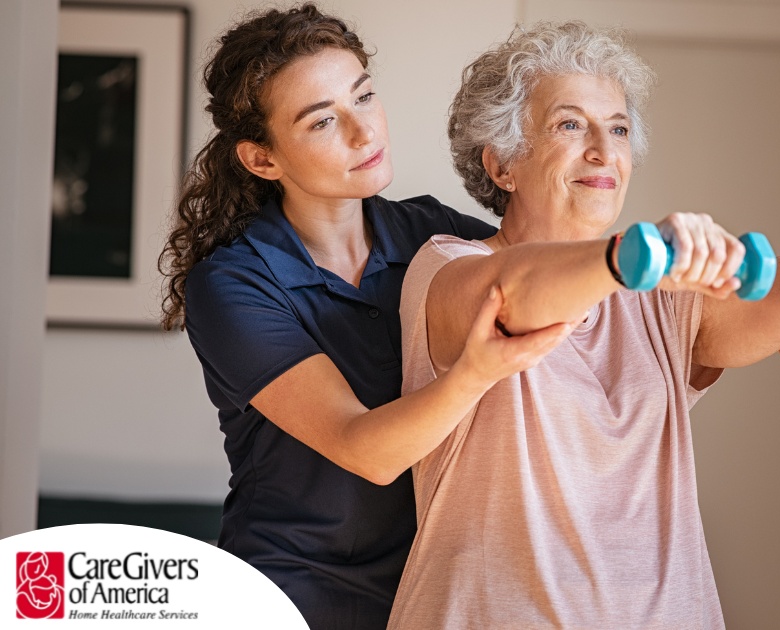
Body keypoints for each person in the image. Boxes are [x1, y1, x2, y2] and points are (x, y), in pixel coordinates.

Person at [386, 21, 780, 628]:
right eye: (570, 125)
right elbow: (512, 296)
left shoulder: (659, 294)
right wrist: (631, 254)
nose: (604, 149)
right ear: (502, 165)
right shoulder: (449, 265)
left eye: (619, 128)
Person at [156, 5, 572, 628]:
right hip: (288, 595)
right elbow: (366, 450)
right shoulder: (234, 285)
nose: (363, 132)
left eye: (365, 97)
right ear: (263, 160)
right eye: (323, 121)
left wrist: (694, 336)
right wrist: (474, 372)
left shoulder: (431, 233)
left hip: (428, 590)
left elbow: (541, 285)